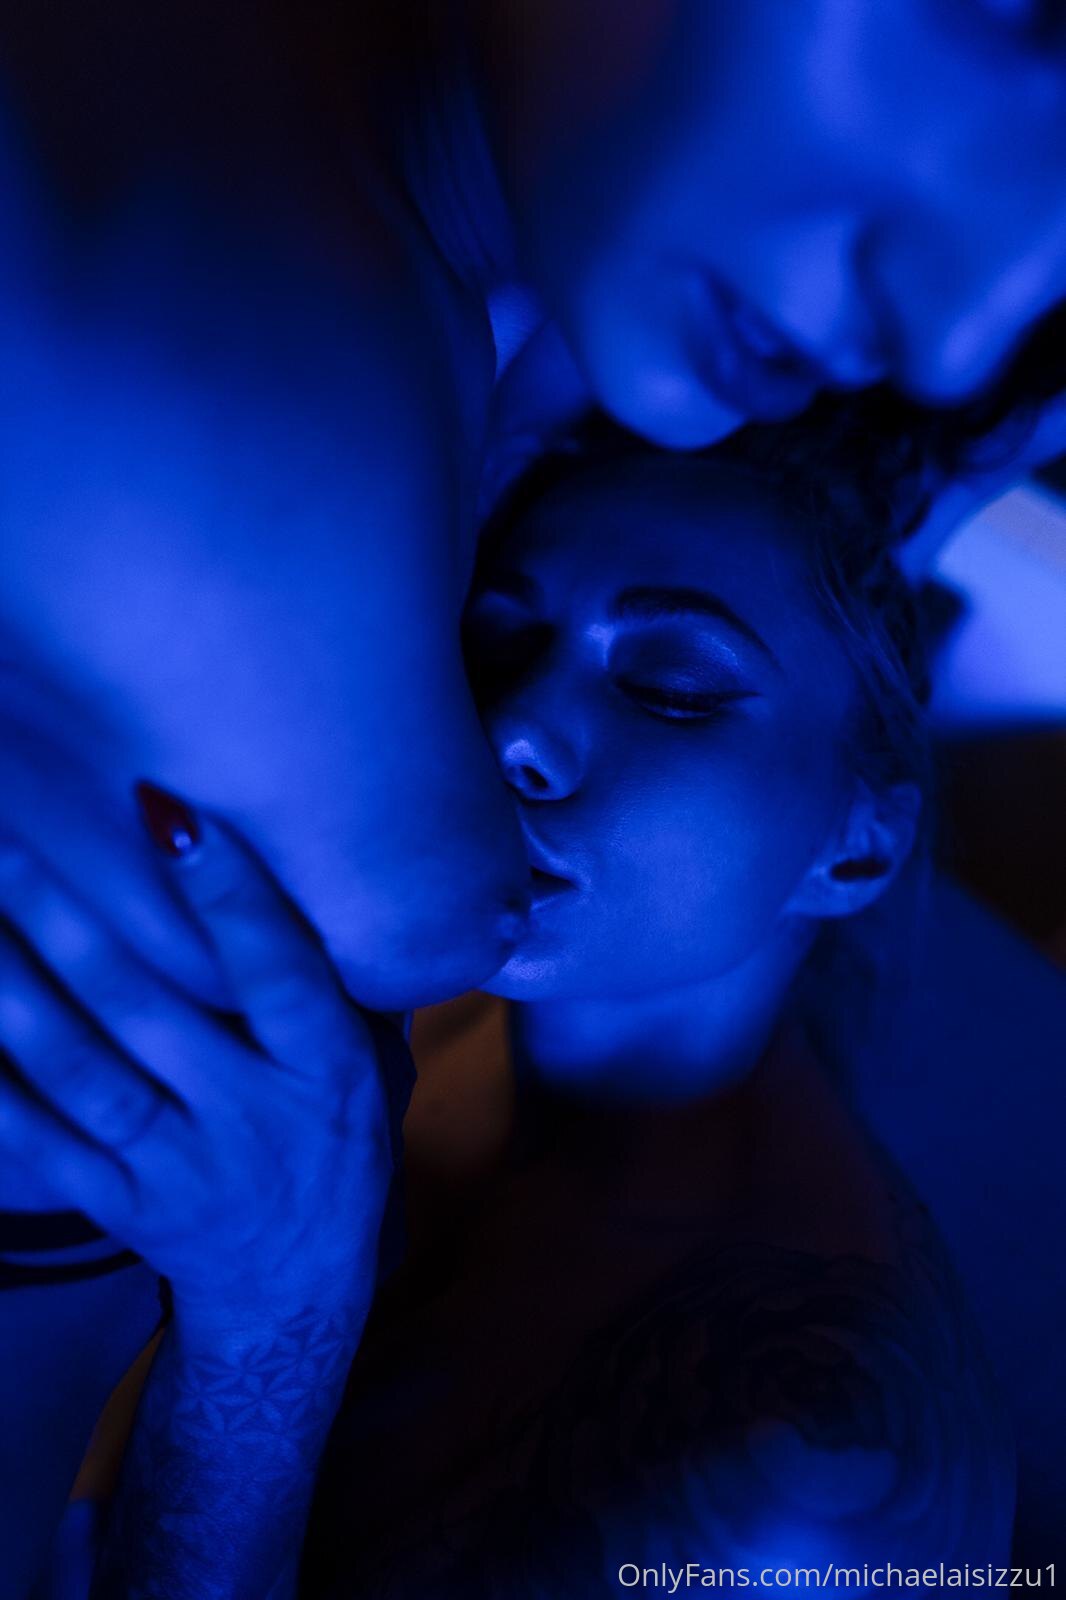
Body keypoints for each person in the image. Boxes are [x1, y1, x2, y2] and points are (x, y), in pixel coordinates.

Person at [0, 411, 1014, 1595]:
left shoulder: (803, 1465)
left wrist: (275, 1320)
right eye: (493, 645)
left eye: (672, 687)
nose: (513, 728)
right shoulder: (405, 1010)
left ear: (857, 846)